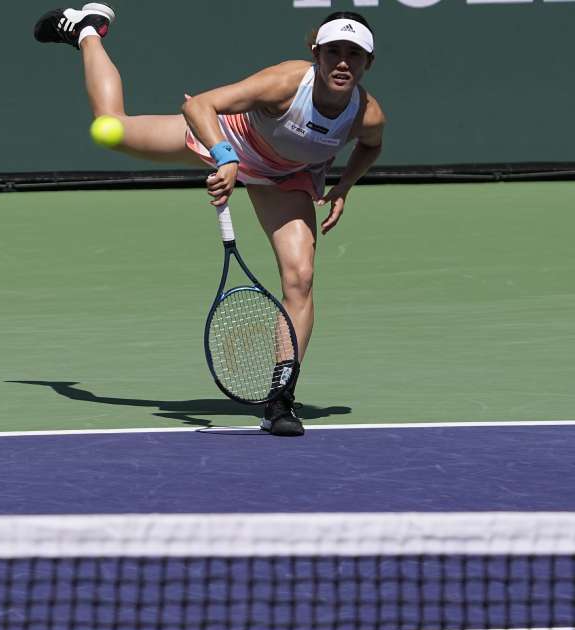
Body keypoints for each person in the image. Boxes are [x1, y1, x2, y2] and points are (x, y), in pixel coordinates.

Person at [34, 6, 386, 436]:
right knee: (111, 127)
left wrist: (345, 185)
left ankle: (279, 399)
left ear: (369, 62)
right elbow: (201, 105)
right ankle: (88, 30)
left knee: (301, 279)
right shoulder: (284, 83)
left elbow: (371, 146)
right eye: (334, 51)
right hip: (227, 140)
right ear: (316, 53)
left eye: (355, 53)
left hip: (284, 178)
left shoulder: (367, 114)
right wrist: (225, 157)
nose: (344, 62)